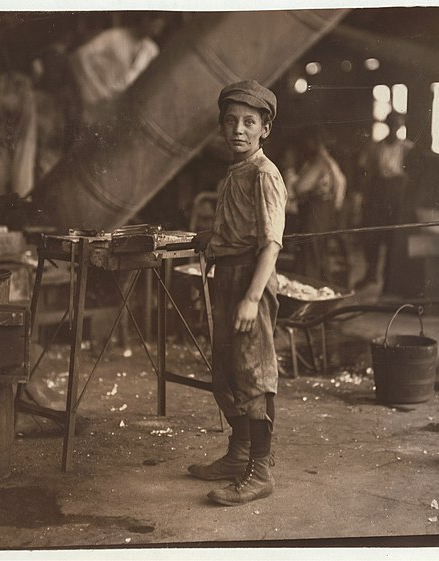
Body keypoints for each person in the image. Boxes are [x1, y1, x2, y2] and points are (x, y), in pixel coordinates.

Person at [188, 80, 286, 506]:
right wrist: (208, 238)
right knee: (226, 373)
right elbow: (237, 229)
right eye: (230, 121)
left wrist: (250, 297)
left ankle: (260, 472)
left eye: (249, 122)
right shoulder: (235, 171)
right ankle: (238, 455)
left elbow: (270, 243)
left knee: (253, 376)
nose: (238, 130)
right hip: (226, 277)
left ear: (265, 128)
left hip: (251, 281)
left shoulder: (265, 174)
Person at [354, 111, 415, 292]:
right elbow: (367, 172)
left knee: (392, 239)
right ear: (387, 125)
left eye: (398, 125)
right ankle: (371, 273)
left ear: (401, 126)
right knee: (372, 236)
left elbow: (413, 175)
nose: (395, 128)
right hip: (378, 195)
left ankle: (389, 283)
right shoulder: (375, 147)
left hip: (397, 196)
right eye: (392, 124)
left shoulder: (407, 148)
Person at [288, 130, 346, 282]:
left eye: (308, 142)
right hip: (321, 211)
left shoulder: (320, 162)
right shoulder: (327, 161)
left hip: (317, 211)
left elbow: (300, 187)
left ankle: (310, 288)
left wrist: (290, 175)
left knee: (310, 252)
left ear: (316, 142)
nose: (305, 145)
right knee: (315, 253)